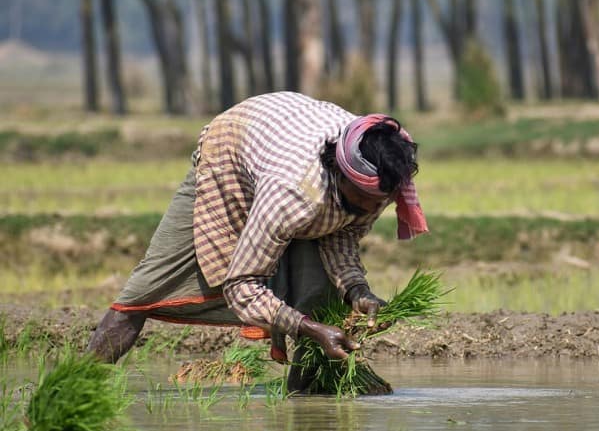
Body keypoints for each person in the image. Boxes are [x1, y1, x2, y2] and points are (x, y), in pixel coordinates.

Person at [86, 91, 428, 388]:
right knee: (145, 290)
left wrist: (357, 291)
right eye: (366, 201)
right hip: (232, 152)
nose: (373, 209)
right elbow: (242, 285)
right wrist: (310, 330)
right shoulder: (292, 193)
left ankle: (304, 404)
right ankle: (74, 386)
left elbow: (343, 233)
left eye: (381, 202)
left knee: (322, 297)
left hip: (282, 136)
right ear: (340, 175)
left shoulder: (373, 181)